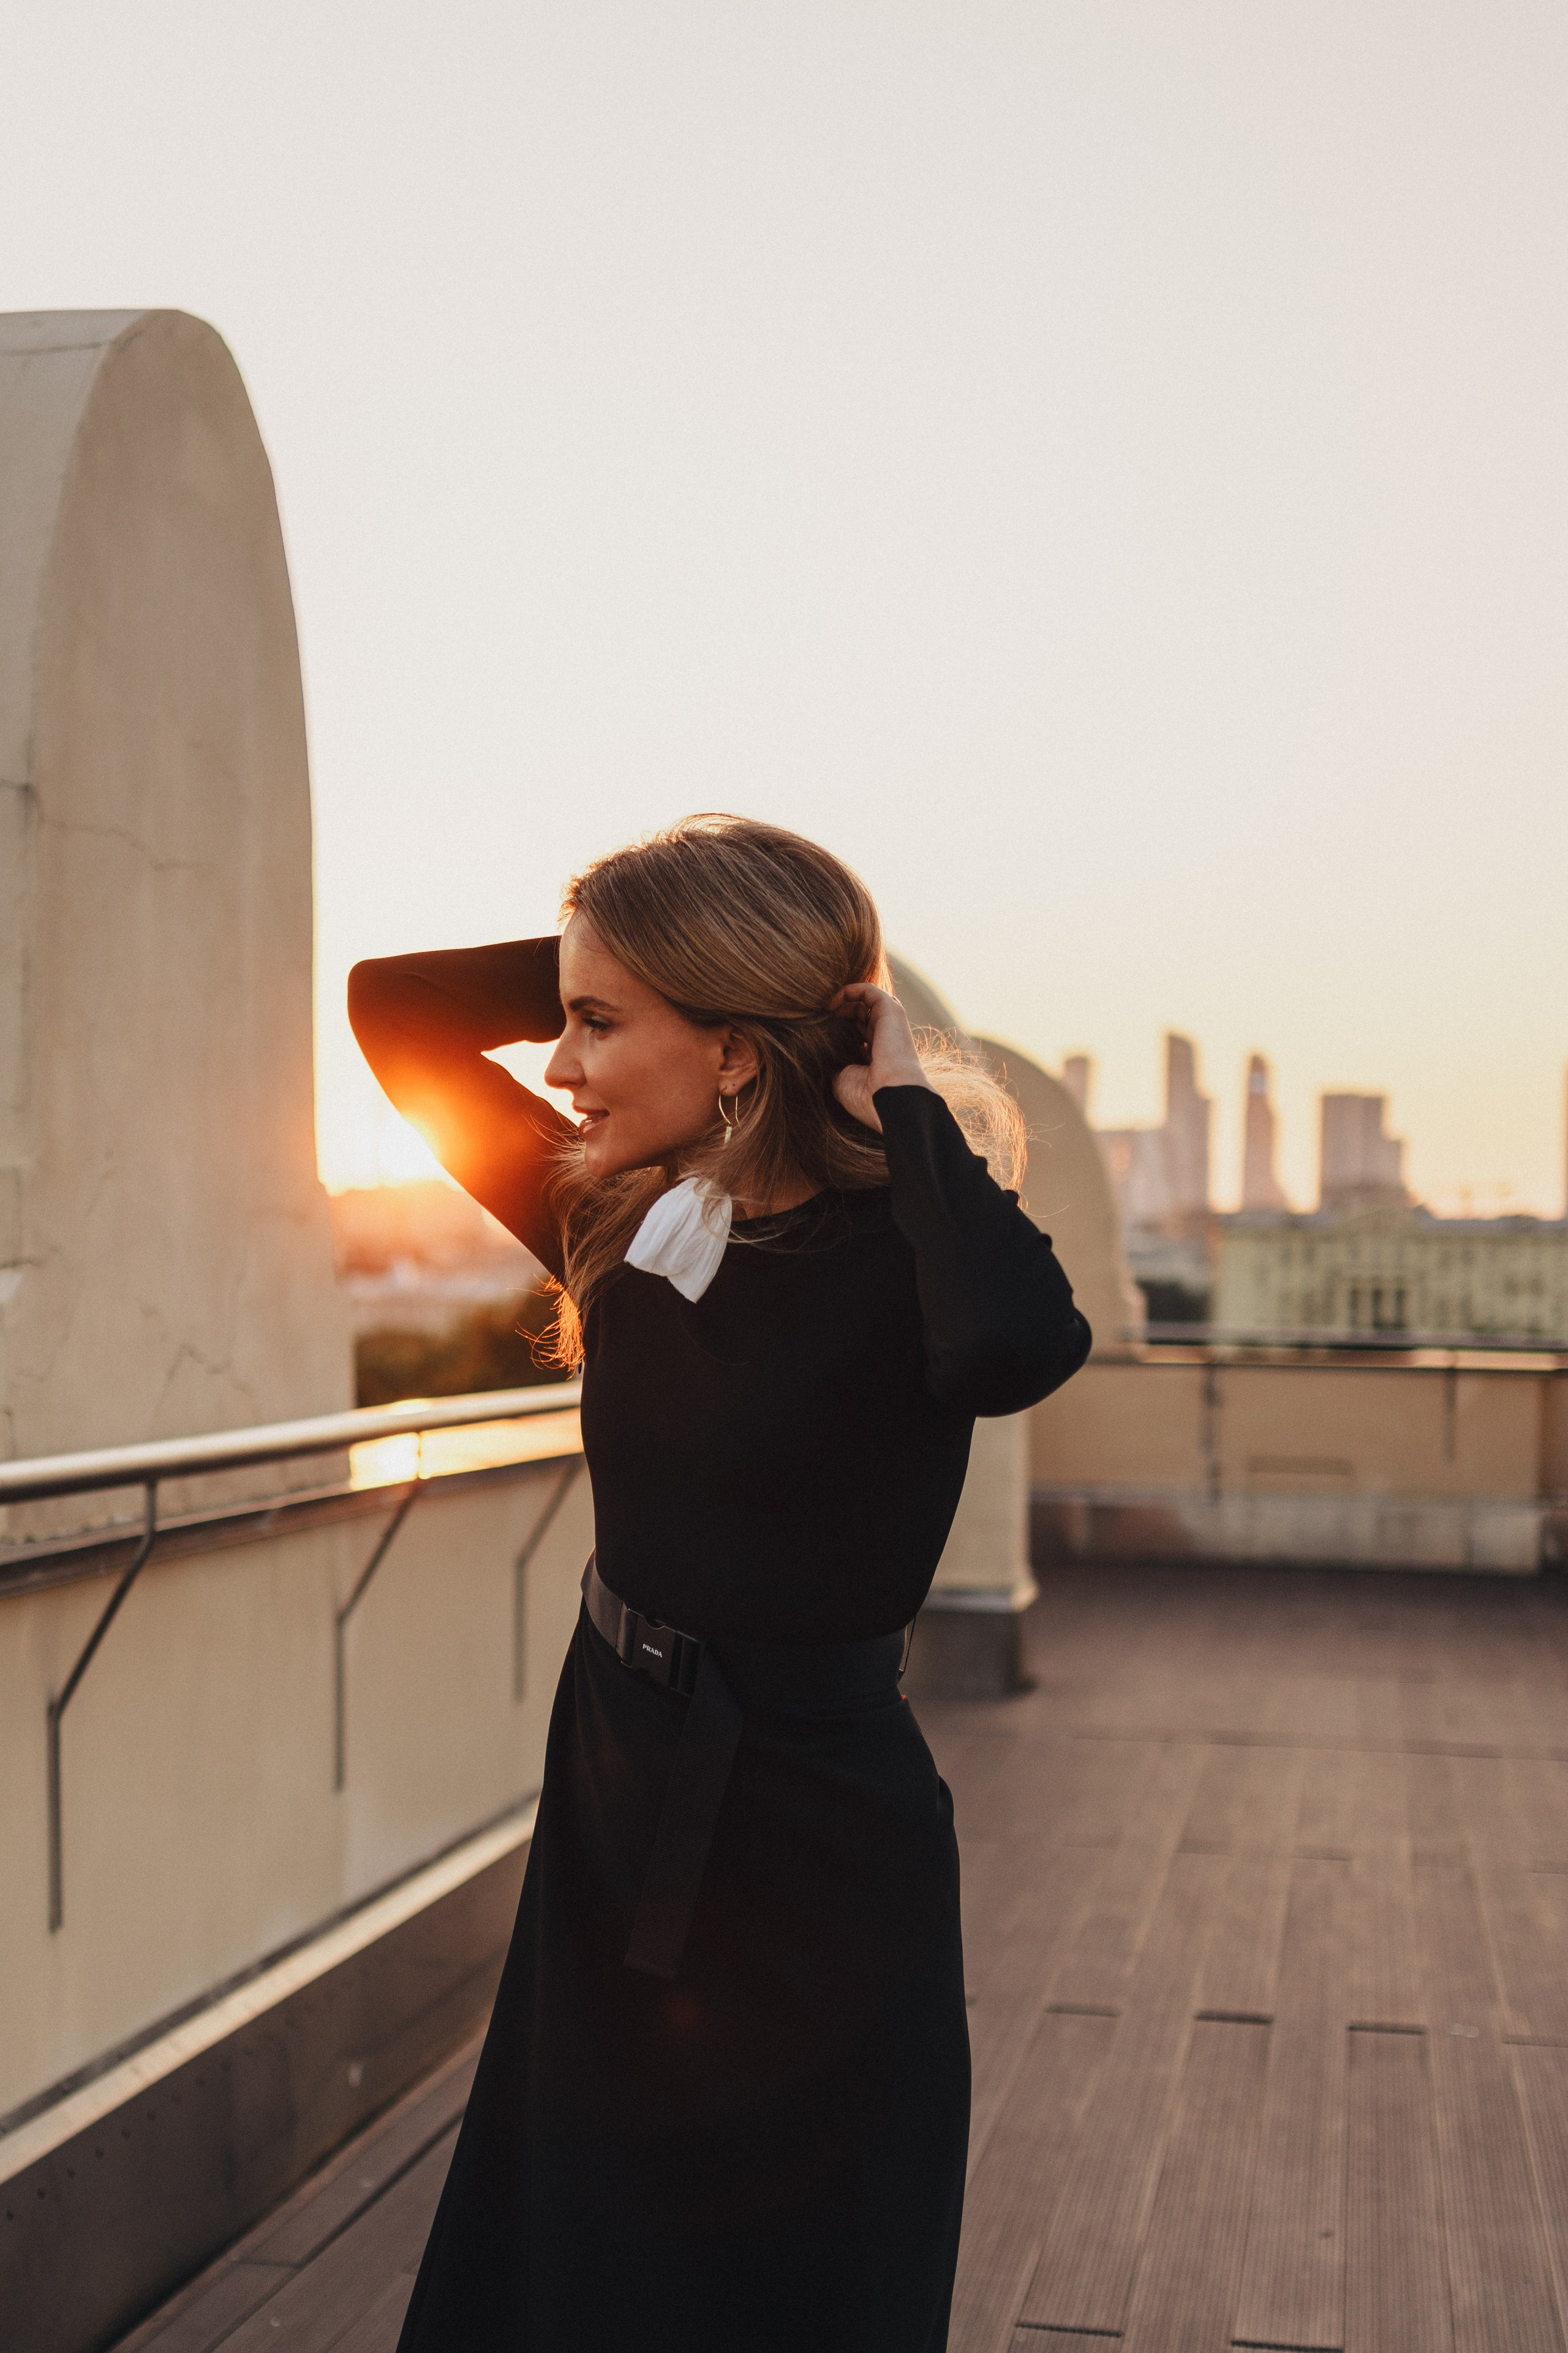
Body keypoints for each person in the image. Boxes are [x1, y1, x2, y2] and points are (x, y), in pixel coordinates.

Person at [348, 815, 1090, 2353]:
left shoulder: (905, 1253)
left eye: (597, 1023)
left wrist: (875, 1064)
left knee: (776, 2282)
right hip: (617, 1776)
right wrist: (609, 951)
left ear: (736, 1052)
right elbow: (393, 1008)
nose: (558, 1065)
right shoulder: (619, 1220)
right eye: (563, 1016)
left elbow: (1017, 1343)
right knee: (573, 2250)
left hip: (812, 1836)